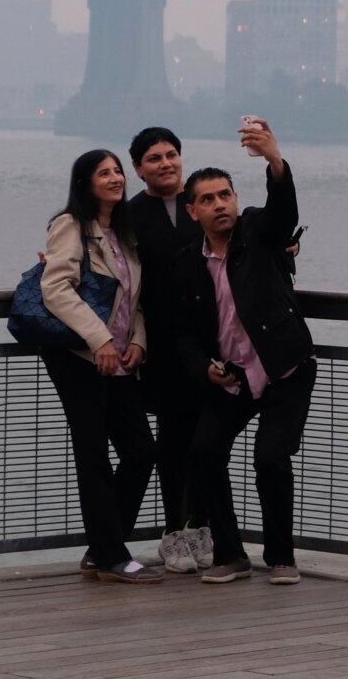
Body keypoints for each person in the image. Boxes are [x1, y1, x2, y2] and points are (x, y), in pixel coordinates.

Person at [166, 119, 312, 585]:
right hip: (233, 379)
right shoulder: (188, 263)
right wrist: (204, 369)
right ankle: (231, 555)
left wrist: (274, 160)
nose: (219, 205)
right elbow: (183, 333)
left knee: (270, 458)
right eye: (207, 200)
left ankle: (282, 556)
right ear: (193, 212)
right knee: (204, 453)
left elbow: (282, 214)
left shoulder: (256, 232)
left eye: (224, 195)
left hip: (284, 370)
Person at [39, 148, 160, 584]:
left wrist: (139, 342)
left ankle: (104, 546)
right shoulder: (71, 225)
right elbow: (56, 289)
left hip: (121, 358)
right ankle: (111, 554)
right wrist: (101, 338)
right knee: (93, 454)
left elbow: (132, 298)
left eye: (117, 171)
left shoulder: (124, 233)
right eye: (103, 172)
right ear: (85, 183)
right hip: (80, 358)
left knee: (141, 451)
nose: (114, 178)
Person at [120, 125, 212, 575]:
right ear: (138, 169)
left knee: (209, 442)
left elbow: (240, 243)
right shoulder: (130, 216)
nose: (166, 163)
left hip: (211, 342)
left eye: (172, 154)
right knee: (174, 443)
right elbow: (106, 265)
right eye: (153, 158)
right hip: (160, 347)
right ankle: (173, 532)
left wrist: (285, 248)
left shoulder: (202, 201)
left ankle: (203, 527)